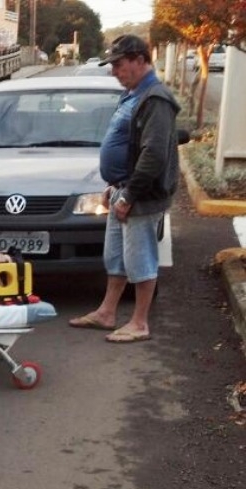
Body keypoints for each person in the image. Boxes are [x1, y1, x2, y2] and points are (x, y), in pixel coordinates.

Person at [68, 34, 180, 343]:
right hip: (124, 189)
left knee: (139, 259)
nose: (114, 71)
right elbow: (129, 146)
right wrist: (114, 185)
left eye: (119, 64)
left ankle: (140, 322)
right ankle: (107, 312)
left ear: (140, 60)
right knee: (115, 257)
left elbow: (154, 154)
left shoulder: (155, 98)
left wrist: (129, 194)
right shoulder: (133, 94)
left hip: (141, 196)